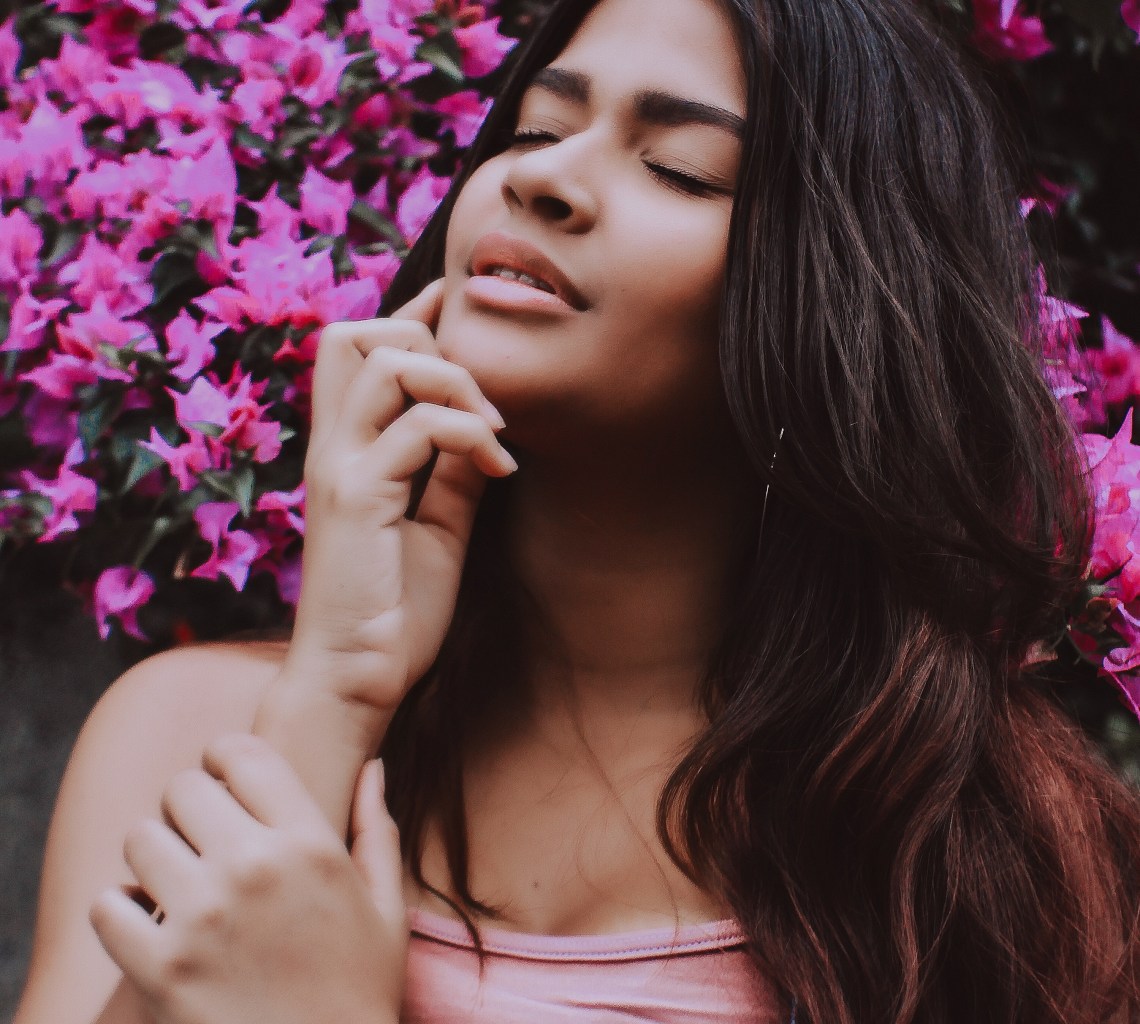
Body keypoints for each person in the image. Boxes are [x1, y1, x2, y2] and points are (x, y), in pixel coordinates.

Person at [14, 0, 1140, 1019]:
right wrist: (339, 690)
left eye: (683, 169)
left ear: (838, 316)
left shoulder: (985, 861)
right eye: (536, 131)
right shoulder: (184, 733)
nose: (538, 180)